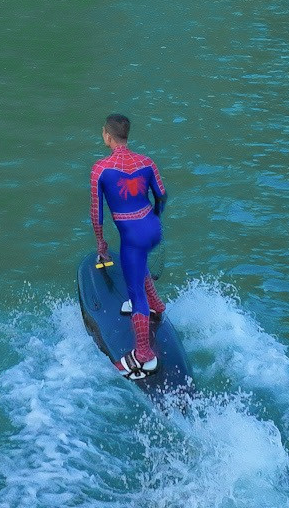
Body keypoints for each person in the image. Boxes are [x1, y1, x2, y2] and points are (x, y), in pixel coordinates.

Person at [90, 113, 167, 378]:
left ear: (107, 136)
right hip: (150, 227)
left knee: (135, 294)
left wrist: (101, 242)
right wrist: (154, 220)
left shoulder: (100, 169)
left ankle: (144, 356)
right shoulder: (147, 162)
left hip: (132, 235)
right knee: (136, 264)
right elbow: (162, 195)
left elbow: (96, 212)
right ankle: (157, 304)